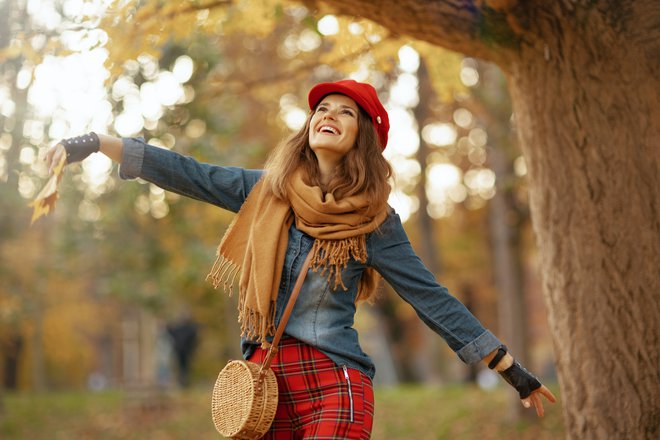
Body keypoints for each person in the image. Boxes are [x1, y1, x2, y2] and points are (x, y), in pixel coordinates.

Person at [47, 79, 556, 438]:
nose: (328, 116)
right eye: (321, 109)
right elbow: (189, 172)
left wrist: (508, 367)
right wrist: (96, 143)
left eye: (344, 112)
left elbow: (429, 297)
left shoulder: (376, 221)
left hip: (334, 381)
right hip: (264, 386)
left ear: (362, 138)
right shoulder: (267, 191)